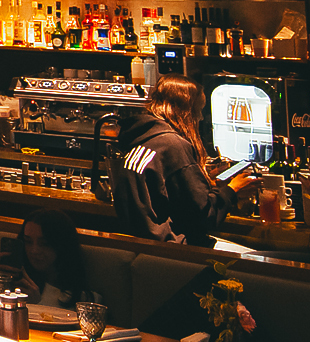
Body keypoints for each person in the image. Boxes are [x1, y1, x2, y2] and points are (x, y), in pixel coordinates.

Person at [111, 74, 262, 246]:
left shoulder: (143, 139)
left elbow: (169, 196)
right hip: (172, 250)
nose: (201, 118)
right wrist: (232, 190)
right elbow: (205, 217)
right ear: (186, 111)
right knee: (256, 257)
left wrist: (207, 182)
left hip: (141, 248)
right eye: (199, 110)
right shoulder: (173, 145)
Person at [0, 208, 91, 308]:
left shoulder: (79, 299)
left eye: (44, 244)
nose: (34, 250)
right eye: (28, 241)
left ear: (61, 245)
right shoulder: (13, 282)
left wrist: (34, 305)